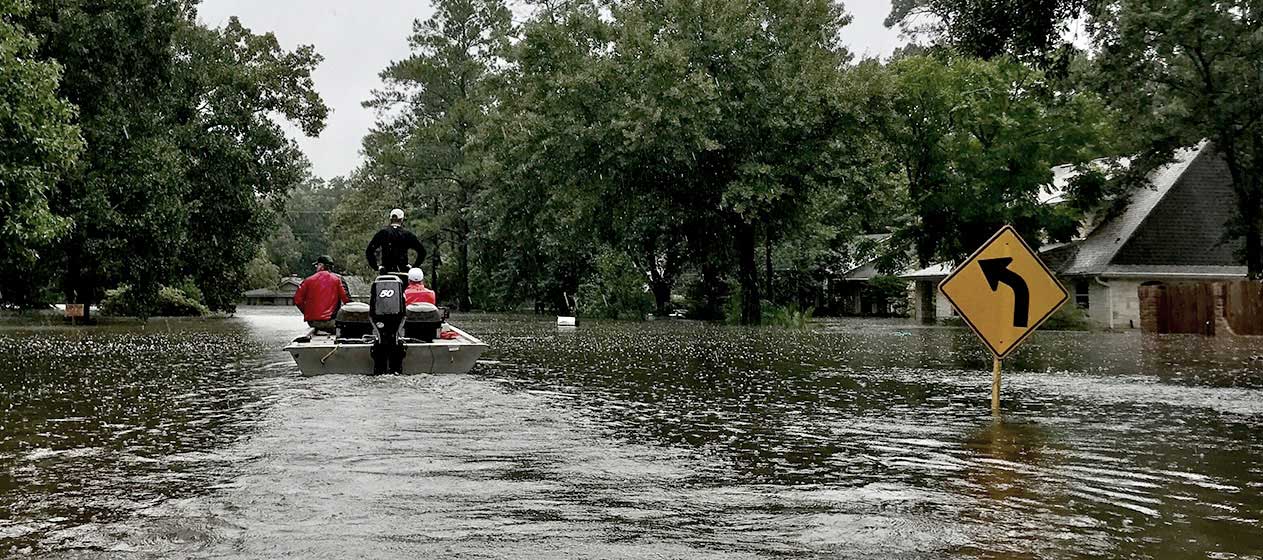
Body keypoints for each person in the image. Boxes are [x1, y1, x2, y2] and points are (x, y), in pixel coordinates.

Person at [294, 255, 350, 333]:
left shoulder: (308, 280)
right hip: (331, 322)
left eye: (317, 265)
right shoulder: (337, 280)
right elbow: (346, 300)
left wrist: (307, 312)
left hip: (313, 322)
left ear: (321, 265)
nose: (316, 267)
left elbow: (297, 300)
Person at [366, 208, 426, 274]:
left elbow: (369, 251)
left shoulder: (383, 233)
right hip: (402, 272)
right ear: (402, 219)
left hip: (386, 272)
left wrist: (376, 267)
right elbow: (422, 252)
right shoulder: (407, 235)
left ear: (390, 219)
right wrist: (413, 267)